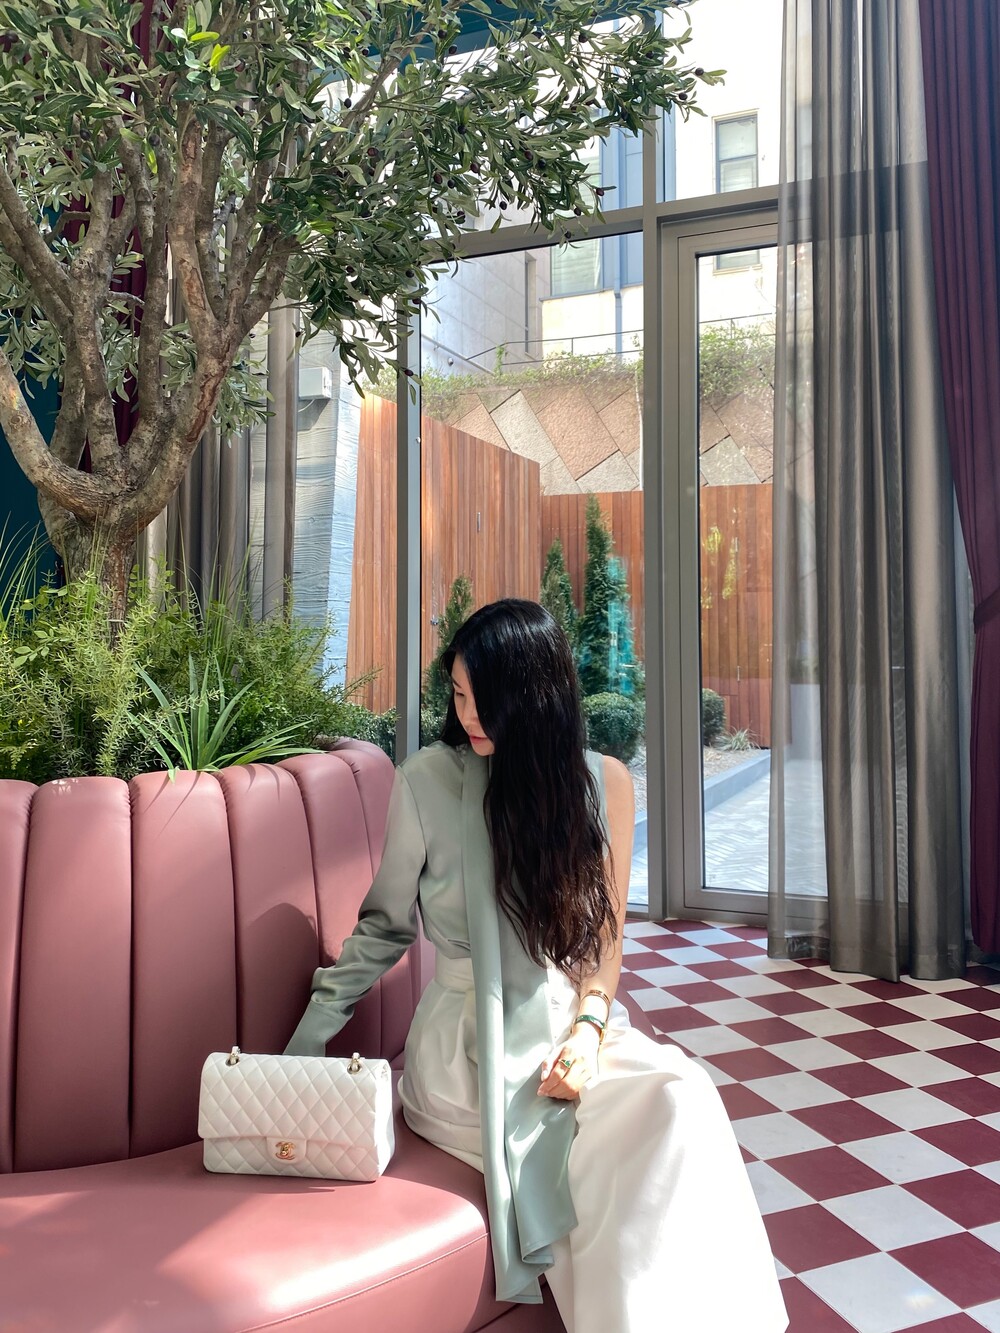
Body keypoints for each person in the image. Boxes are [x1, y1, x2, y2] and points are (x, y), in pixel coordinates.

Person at [285, 599, 787, 1333]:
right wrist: (307, 1038)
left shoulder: (601, 784)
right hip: (465, 1049)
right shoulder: (426, 780)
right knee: (600, 1156)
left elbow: (602, 944)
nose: (468, 715)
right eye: (459, 695)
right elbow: (384, 927)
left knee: (681, 1096)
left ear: (535, 697)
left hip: (567, 1025)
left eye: (485, 698)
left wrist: (587, 1032)